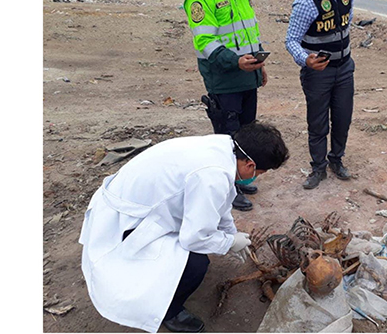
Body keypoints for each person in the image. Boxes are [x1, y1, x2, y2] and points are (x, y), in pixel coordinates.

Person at [79, 122, 290, 333]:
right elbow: (194, 239)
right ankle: (170, 312)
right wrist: (229, 242)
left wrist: (230, 232)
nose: (257, 177)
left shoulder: (224, 148)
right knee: (196, 264)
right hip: (128, 221)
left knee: (200, 239)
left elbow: (220, 202)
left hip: (137, 201)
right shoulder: (212, 175)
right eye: (261, 172)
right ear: (250, 165)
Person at [184, 0, 265, 211]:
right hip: (224, 79)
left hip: (247, 76)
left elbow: (250, 30)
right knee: (226, 138)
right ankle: (227, 189)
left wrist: (260, 66)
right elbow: (205, 41)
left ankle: (239, 181)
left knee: (246, 133)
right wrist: (236, 62)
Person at [285, 0, 356, 190]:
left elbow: (345, 26)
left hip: (345, 70)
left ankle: (336, 159)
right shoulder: (306, 1)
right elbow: (291, 40)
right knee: (318, 123)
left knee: (343, 119)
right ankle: (318, 167)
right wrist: (306, 59)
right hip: (318, 74)